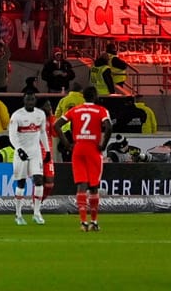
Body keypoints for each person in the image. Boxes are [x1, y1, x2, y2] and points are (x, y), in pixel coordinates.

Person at [59, 86, 112, 232]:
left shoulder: (75, 110)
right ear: (95, 96)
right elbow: (108, 127)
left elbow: (57, 125)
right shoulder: (101, 110)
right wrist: (103, 144)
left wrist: (67, 144)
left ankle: (83, 222)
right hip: (93, 149)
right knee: (94, 186)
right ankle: (94, 222)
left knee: (81, 184)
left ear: (83, 97)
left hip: (79, 148)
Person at [8, 91, 51, 225]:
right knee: (21, 183)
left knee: (38, 180)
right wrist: (19, 149)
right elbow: (12, 135)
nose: (30, 102)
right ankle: (18, 214)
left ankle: (37, 213)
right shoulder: (17, 116)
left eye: (32, 99)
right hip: (21, 153)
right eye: (28, 100)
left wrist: (48, 150)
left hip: (36, 152)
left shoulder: (40, 114)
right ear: (24, 101)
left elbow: (43, 132)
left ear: (35, 101)